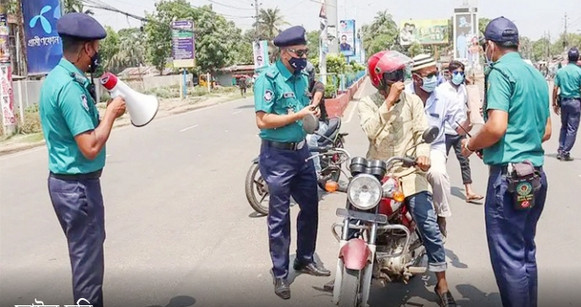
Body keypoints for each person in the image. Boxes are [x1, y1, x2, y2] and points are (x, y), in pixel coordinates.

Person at [461, 17, 551, 307]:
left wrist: (471, 144)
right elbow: (546, 131)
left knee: (509, 258)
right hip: (534, 175)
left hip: (509, 179)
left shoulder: (499, 72)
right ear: (519, 44)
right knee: (525, 252)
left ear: (490, 46)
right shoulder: (535, 74)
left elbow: (496, 126)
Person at [38, 13, 126, 307]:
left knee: (83, 256)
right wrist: (112, 113)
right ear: (87, 48)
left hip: (65, 185)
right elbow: (89, 146)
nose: (97, 55)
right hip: (78, 189)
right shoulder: (70, 89)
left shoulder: (56, 79)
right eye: (96, 48)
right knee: (88, 265)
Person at [358, 50, 456, 306]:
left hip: (410, 171)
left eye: (400, 73)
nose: (399, 79)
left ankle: (442, 284)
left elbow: (422, 135)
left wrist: (423, 155)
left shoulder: (413, 102)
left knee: (427, 224)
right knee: (358, 215)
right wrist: (388, 103)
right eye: (393, 75)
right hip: (379, 171)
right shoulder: (368, 103)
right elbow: (370, 132)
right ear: (379, 79)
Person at [253, 25, 330, 300]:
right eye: (300, 52)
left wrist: (313, 106)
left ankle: (305, 258)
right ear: (285, 53)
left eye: (305, 52)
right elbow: (263, 120)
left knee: (310, 207)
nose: (304, 57)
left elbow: (315, 90)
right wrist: (298, 116)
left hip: (301, 153)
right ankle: (280, 272)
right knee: (279, 215)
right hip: (277, 157)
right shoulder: (268, 78)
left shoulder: (300, 76)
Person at [405, 54, 468, 238]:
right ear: (416, 78)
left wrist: (471, 119)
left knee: (438, 174)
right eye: (430, 75)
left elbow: (458, 126)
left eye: (436, 74)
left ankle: (441, 215)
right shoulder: (404, 96)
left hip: (434, 147)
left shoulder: (442, 97)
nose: (435, 79)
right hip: (406, 149)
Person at [440, 60, 484, 203]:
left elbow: (471, 103)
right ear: (450, 74)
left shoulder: (464, 89)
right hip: (445, 131)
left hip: (461, 131)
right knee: (440, 162)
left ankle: (469, 191)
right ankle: (435, 190)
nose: (459, 75)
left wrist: (476, 110)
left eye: (461, 73)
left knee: (464, 160)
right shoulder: (442, 90)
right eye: (456, 73)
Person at [553, 47, 581, 161]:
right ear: (578, 58)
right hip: (575, 102)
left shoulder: (561, 71)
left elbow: (555, 88)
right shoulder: (579, 72)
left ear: (568, 58)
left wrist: (554, 103)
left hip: (564, 101)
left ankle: (561, 149)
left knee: (564, 126)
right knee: (572, 128)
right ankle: (565, 152)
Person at [304, 62, 329, 177]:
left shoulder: (318, 85)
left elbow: (317, 97)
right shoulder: (296, 85)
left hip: (320, 122)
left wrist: (313, 106)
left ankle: (316, 172)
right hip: (303, 122)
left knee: (310, 139)